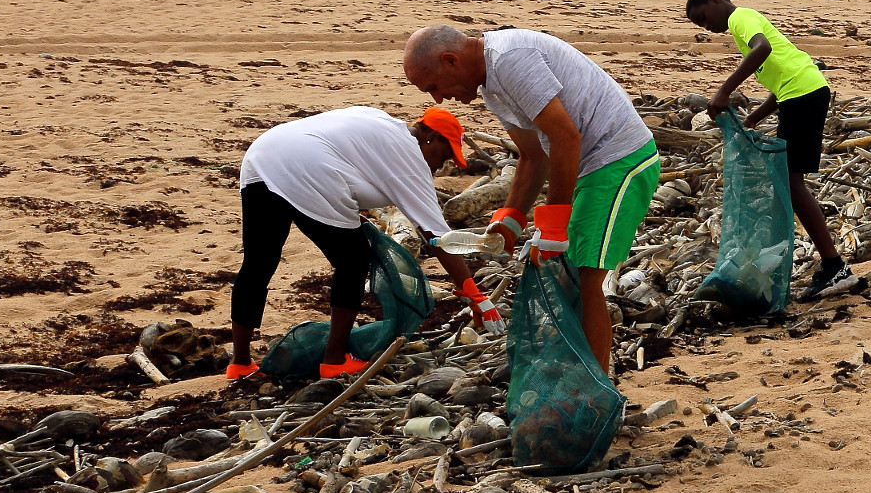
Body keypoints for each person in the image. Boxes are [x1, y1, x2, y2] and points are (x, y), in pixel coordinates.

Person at [403, 25, 659, 375]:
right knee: (568, 276)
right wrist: (510, 221)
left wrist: (552, 228)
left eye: (433, 86)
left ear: (450, 60)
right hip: (591, 168)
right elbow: (533, 155)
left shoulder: (509, 59)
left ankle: (596, 388)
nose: (438, 99)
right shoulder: (491, 85)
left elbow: (566, 138)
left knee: (586, 278)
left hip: (620, 159)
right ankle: (579, 375)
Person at [229, 106, 502, 380]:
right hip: (310, 166)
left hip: (263, 154)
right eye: (445, 154)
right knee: (354, 260)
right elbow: (438, 237)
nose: (442, 165)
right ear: (430, 136)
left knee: (258, 262)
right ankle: (334, 361)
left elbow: (348, 162)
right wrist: (474, 294)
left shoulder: (380, 121)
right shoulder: (410, 157)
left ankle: (239, 363)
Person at [685, 0, 861, 301]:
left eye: (703, 17)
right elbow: (783, 78)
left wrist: (724, 90)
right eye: (700, 26)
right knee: (790, 182)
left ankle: (835, 266)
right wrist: (755, 117)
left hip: (804, 95)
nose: (706, 26)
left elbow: (763, 49)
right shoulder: (743, 27)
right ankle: (831, 264)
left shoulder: (742, 17)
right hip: (801, 93)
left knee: (791, 183)